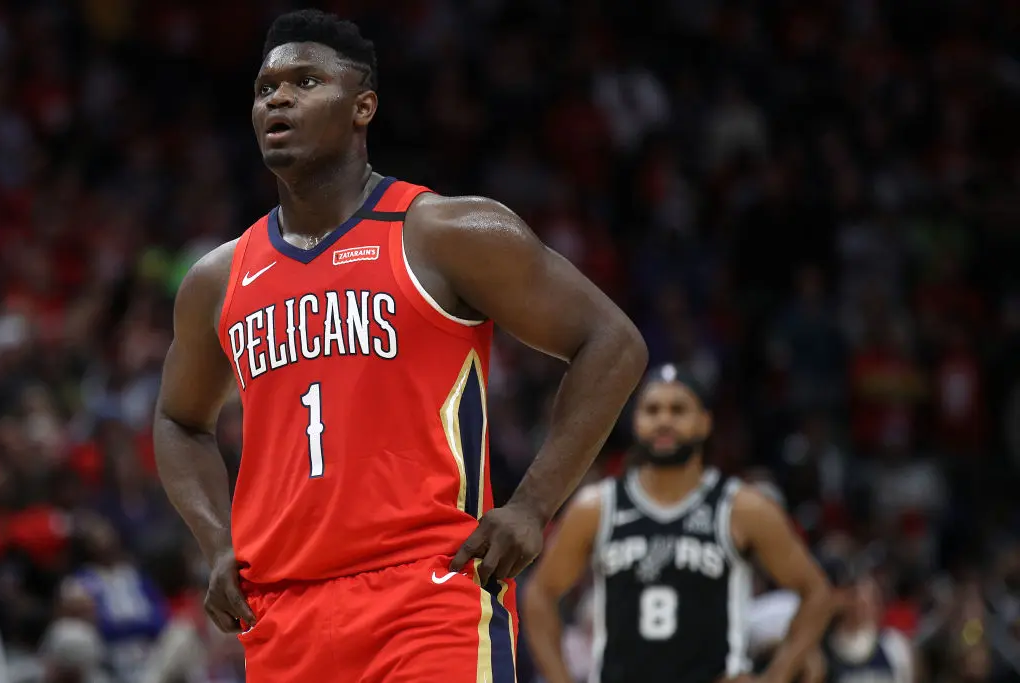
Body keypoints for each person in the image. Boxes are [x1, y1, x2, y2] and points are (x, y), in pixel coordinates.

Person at [152, 8, 647, 683]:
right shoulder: (218, 279)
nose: (280, 99)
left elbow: (612, 342)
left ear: (363, 106)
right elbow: (180, 420)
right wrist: (216, 542)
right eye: (267, 88)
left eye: (305, 82)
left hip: (427, 595)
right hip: (283, 614)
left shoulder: (445, 232)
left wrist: (533, 504)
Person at [523, 364, 833, 683]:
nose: (664, 421)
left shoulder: (742, 507)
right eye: (652, 410)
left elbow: (817, 592)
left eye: (678, 410)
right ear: (636, 421)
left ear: (705, 422)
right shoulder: (597, 507)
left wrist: (775, 676)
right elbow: (539, 594)